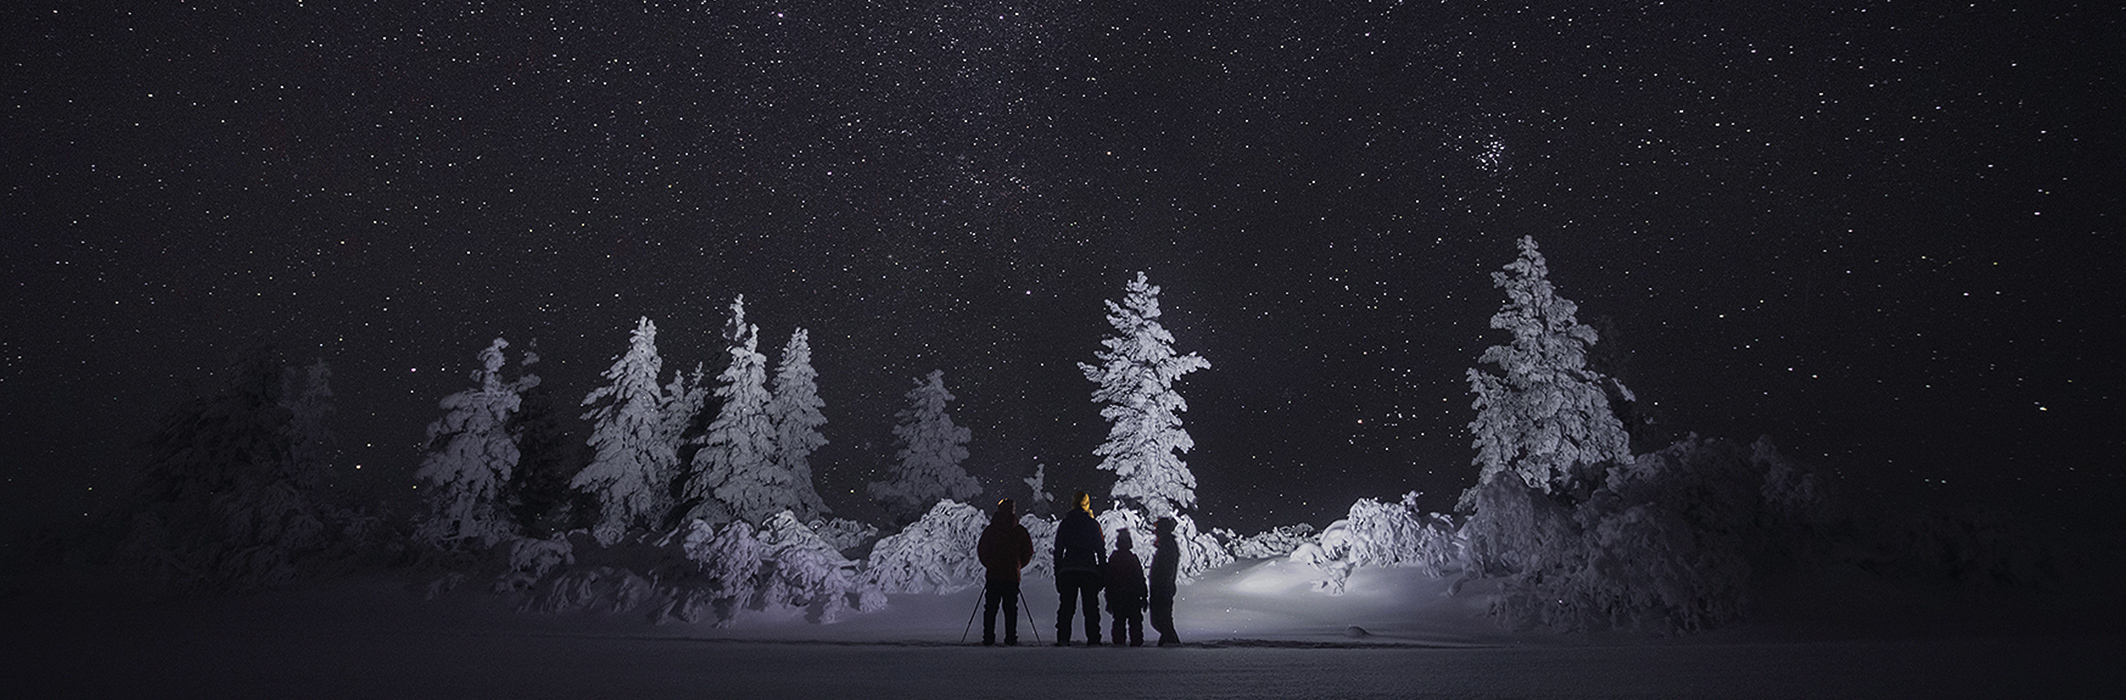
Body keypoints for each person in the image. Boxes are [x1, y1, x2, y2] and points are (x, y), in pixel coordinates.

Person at [975, 498, 1034, 646]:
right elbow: (1028, 552)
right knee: (1010, 609)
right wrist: (1018, 565)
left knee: (990, 608)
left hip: (994, 574)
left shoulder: (991, 530)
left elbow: (982, 550)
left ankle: (988, 637)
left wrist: (989, 564)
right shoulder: (1019, 531)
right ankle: (1011, 637)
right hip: (1011, 575)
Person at [1052, 491, 1107, 646]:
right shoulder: (1092, 524)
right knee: (1091, 607)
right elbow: (1100, 549)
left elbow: (1058, 550)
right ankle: (1094, 638)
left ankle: (1063, 638)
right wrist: (1103, 571)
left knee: (1066, 607)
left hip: (1068, 569)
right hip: (1089, 569)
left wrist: (1058, 572)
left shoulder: (1065, 524)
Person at [1102, 528, 1148, 647]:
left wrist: (1109, 597)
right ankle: (1136, 642)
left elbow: (1109, 580)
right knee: (1135, 621)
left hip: (1118, 595)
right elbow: (1140, 578)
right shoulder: (1133, 559)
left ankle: (1119, 642)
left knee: (1119, 620)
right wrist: (1144, 596)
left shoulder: (1114, 559)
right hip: (1133, 596)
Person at [1149, 516, 1181, 646]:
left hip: (1162, 587)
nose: (1155, 531)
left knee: (1161, 620)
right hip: (1162, 587)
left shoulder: (1167, 545)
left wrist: (1162, 584)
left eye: (1158, 529)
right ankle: (1169, 642)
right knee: (1162, 620)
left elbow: (1166, 568)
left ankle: (1170, 644)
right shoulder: (1166, 545)